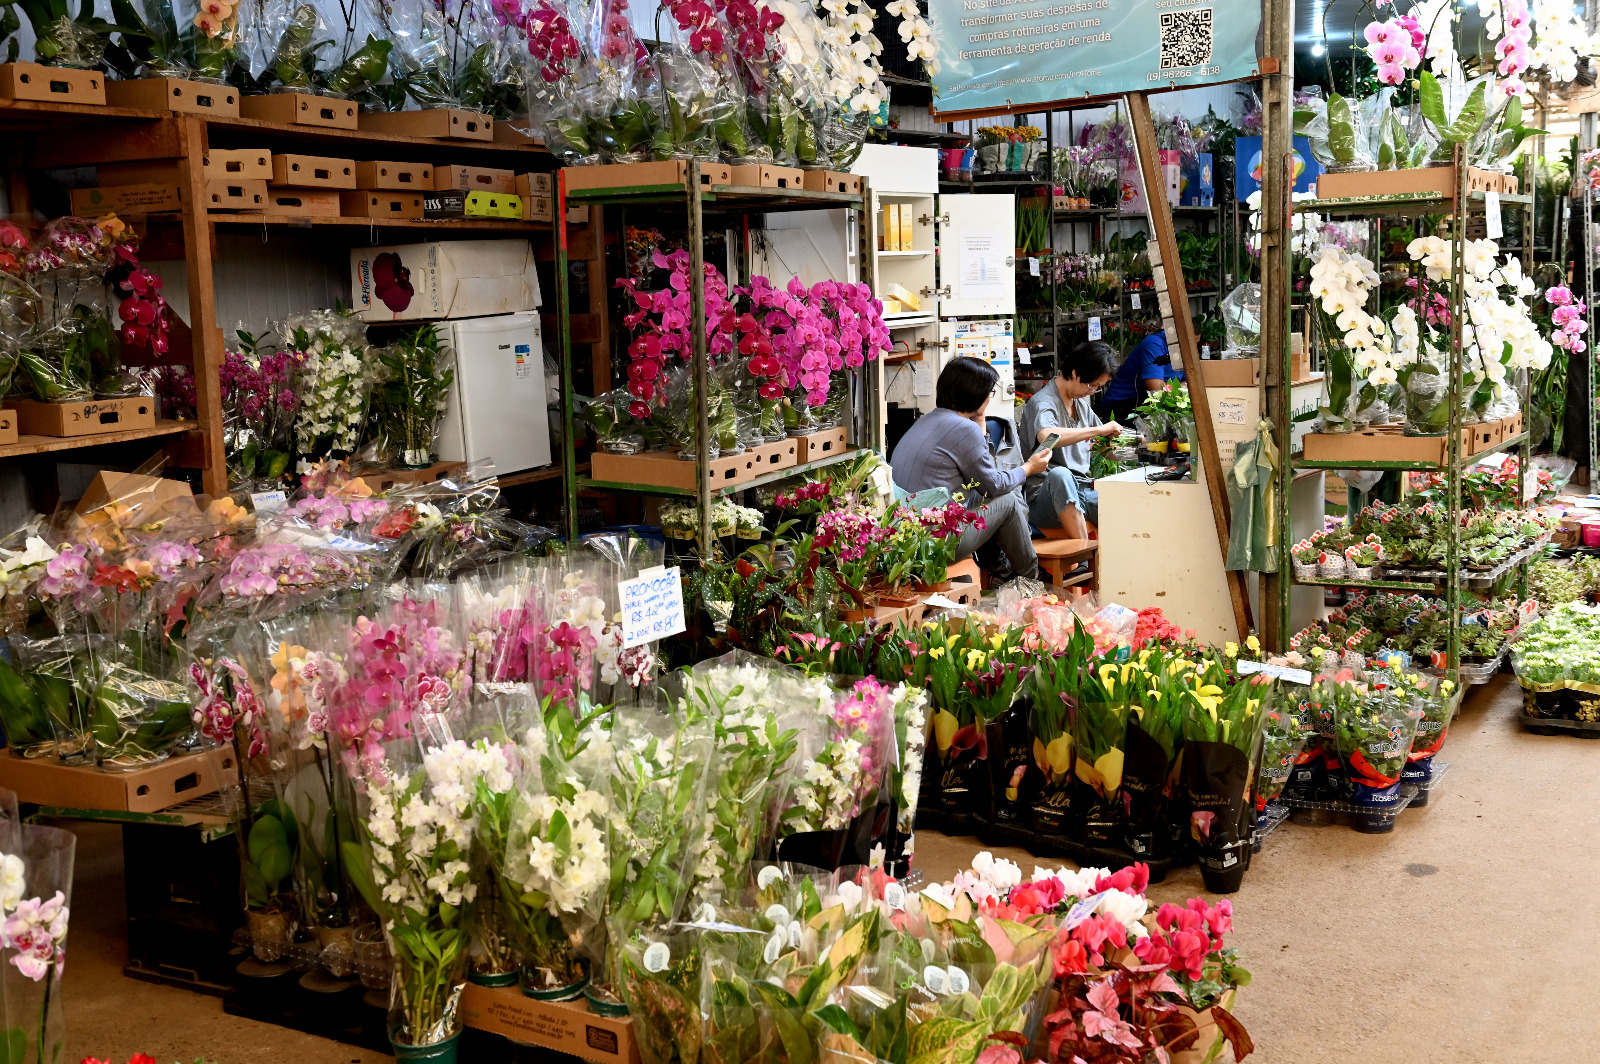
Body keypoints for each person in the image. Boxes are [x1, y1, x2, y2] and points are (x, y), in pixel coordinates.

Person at [889, 356, 1049, 580]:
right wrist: (1029, 467)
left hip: (906, 539)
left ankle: (1001, 573)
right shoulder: (963, 428)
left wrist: (980, 420)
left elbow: (983, 480)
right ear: (977, 394)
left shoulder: (926, 421)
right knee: (1008, 502)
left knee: (977, 495)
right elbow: (993, 485)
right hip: (933, 543)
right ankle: (1031, 580)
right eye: (989, 393)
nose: (990, 399)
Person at [1018, 340, 1123, 540]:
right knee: (1060, 475)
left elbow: (1104, 448)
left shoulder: (1081, 406)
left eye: (1098, 388)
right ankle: (1084, 553)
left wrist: (1140, 445)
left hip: (1082, 489)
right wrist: (1098, 430)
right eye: (1092, 385)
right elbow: (1048, 436)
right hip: (1044, 496)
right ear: (1075, 373)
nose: (1092, 391)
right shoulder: (1043, 402)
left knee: (1123, 507)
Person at [1103, 329, 1181, 423]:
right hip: (1125, 403)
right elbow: (1156, 388)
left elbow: (1188, 382)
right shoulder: (1154, 344)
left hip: (1150, 402)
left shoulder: (1182, 348)